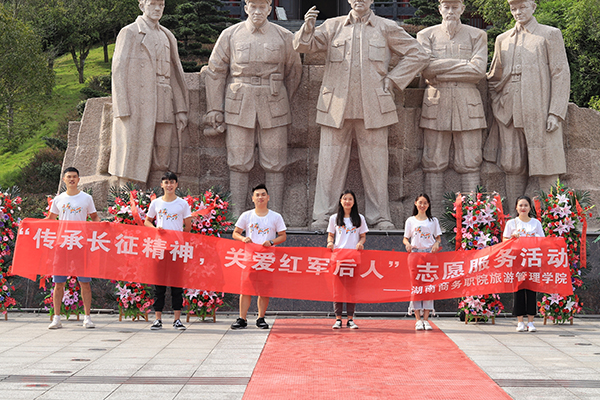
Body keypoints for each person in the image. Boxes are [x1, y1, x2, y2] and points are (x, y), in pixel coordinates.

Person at [293, 0, 429, 230]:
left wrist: (394, 79)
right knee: (329, 165)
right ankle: (324, 217)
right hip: (336, 106)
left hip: (373, 106)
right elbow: (303, 46)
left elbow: (418, 54)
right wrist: (307, 28)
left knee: (376, 166)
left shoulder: (386, 27)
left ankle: (380, 217)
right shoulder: (333, 26)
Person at [204, 0, 302, 217]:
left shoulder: (284, 36)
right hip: (239, 103)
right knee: (238, 161)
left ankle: (275, 217)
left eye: (262, 7)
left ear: (270, 9)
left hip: (274, 102)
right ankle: (235, 215)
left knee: (276, 162)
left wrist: (282, 96)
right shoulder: (230, 34)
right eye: (253, 7)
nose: (257, 12)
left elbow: (294, 72)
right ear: (246, 8)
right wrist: (214, 109)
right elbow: (215, 71)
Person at [487, 0, 570, 209]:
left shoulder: (549, 34)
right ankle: (515, 220)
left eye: (522, 7)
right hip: (508, 109)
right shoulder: (502, 39)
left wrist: (555, 112)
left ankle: (554, 217)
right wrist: (497, 103)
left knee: (546, 163)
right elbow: (493, 77)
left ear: (533, 7)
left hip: (539, 107)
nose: (517, 12)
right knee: (512, 164)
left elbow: (560, 73)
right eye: (513, 9)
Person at [417, 0, 487, 214]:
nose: (450, 11)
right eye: (446, 7)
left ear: (462, 9)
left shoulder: (477, 35)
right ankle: (432, 216)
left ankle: (474, 218)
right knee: (433, 161)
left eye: (454, 7)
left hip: (468, 103)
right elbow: (426, 69)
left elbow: (478, 70)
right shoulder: (425, 35)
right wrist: (462, 65)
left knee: (471, 161)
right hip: (436, 102)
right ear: (439, 9)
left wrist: (441, 68)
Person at [110, 0, 189, 185]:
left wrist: (181, 109)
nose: (157, 8)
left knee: (162, 157)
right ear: (142, 6)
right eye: (153, 4)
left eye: (161, 5)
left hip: (164, 99)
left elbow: (174, 76)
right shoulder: (129, 32)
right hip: (139, 102)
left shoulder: (167, 35)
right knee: (132, 158)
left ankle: (157, 203)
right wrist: (122, 107)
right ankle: (127, 208)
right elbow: (118, 69)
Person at [46, 167, 100, 329]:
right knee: (59, 283)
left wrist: (103, 225)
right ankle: (56, 318)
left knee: (84, 282)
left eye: (74, 177)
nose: (71, 179)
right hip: (62, 245)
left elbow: (94, 217)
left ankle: (87, 317)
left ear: (78, 179)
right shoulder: (58, 199)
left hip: (81, 245)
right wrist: (30, 225)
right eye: (68, 177)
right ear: (64, 179)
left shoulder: (86, 198)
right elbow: (50, 219)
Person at [231, 184, 287, 329]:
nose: (260, 197)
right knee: (246, 289)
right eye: (257, 195)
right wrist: (243, 239)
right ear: (253, 198)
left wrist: (272, 241)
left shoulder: (275, 216)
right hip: (249, 257)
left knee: (264, 289)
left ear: (268, 197)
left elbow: (283, 236)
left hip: (266, 259)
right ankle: (242, 318)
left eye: (263, 195)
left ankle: (261, 317)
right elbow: (235, 233)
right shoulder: (247, 215)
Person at [144, 172, 192, 330]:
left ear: (177, 185)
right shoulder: (156, 203)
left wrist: (182, 241)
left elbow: (188, 226)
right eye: (166, 182)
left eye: (172, 182)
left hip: (177, 249)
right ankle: (158, 319)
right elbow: (147, 222)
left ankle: (177, 319)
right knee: (159, 285)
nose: (169, 185)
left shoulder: (183, 204)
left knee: (177, 285)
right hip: (160, 248)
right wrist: (155, 229)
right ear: (162, 185)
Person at [327, 190, 368, 329]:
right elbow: (330, 235)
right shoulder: (334, 218)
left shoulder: (359, 218)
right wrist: (330, 243)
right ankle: (338, 318)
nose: (347, 201)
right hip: (338, 258)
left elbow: (363, 236)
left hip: (353, 258)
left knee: (351, 289)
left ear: (354, 201)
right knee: (337, 289)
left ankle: (350, 318)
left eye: (350, 199)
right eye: (345, 199)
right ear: (340, 201)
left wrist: (361, 243)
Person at [503, 195, 544, 332]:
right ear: (516, 207)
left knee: (532, 290)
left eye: (526, 205)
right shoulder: (511, 223)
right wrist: (512, 238)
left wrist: (534, 238)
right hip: (517, 261)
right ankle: (520, 321)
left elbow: (543, 241)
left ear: (530, 207)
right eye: (520, 205)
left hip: (532, 260)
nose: (523, 208)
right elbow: (504, 241)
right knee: (519, 290)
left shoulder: (536, 223)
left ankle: (531, 322)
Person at [403, 193, 442, 331]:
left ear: (428, 205)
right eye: (420, 202)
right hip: (415, 255)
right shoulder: (410, 221)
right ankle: (417, 319)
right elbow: (405, 238)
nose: (422, 205)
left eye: (425, 203)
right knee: (416, 286)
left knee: (429, 286)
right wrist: (407, 244)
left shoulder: (433, 221)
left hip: (429, 256)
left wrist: (436, 244)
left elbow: (438, 238)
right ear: (415, 203)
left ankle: (426, 319)